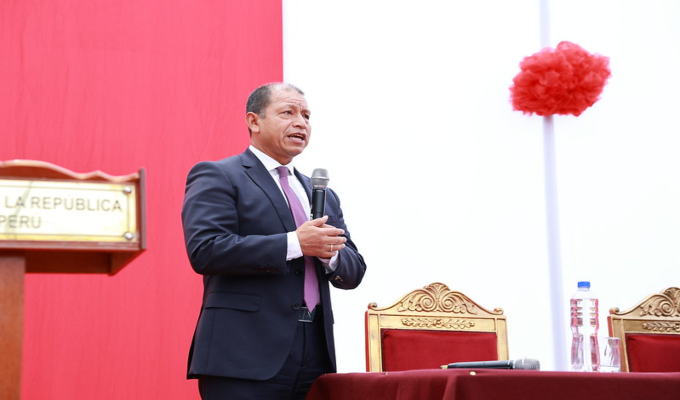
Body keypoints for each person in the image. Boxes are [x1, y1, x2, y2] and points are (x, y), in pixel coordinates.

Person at [181, 82, 367, 400]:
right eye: (288, 112)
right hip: (243, 355)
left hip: (314, 354)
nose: (301, 123)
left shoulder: (321, 192)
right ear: (254, 121)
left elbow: (354, 272)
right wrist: (295, 244)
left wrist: (329, 254)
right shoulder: (219, 175)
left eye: (306, 115)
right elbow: (206, 250)